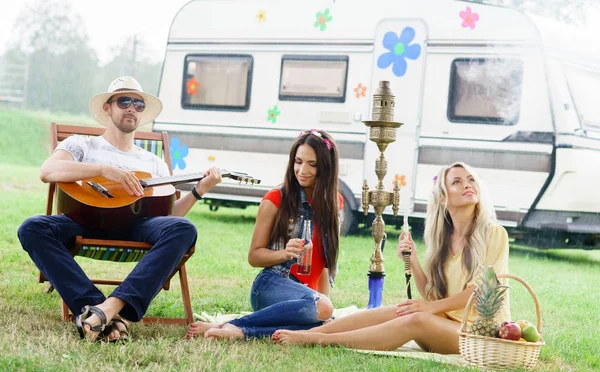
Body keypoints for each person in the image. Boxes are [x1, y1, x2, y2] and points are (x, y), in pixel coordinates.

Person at [17, 76, 222, 342]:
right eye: (124, 101)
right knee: (32, 228)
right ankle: (99, 309)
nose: (132, 108)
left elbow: (168, 219)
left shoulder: (153, 163)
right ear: (107, 108)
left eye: (138, 104)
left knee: (183, 229)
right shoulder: (81, 144)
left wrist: (200, 190)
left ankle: (107, 309)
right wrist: (104, 170)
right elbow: (48, 171)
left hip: (136, 226)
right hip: (83, 220)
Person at [272, 162, 510, 354]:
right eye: (457, 181)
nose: (468, 185)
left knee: (415, 318)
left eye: (470, 179)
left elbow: (479, 293)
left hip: (478, 335)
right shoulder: (443, 242)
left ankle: (317, 341)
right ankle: (319, 331)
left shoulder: (494, 234)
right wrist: (414, 261)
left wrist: (429, 308)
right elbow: (432, 296)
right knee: (400, 310)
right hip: (442, 327)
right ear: (443, 199)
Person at [186, 129, 343, 340]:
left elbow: (324, 265)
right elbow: (254, 256)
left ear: (326, 166)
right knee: (324, 309)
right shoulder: (275, 199)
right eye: (298, 161)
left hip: (306, 300)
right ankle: (232, 325)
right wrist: (285, 254)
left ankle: (238, 331)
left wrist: (324, 307)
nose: (302, 170)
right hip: (271, 286)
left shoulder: (335, 203)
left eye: (312, 164)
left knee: (326, 322)